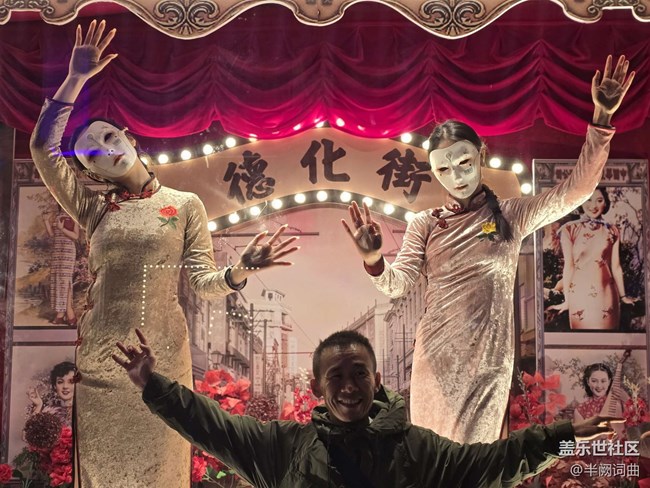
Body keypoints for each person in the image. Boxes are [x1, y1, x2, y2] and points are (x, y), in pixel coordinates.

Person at [30, 20, 299, 487]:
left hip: (161, 366)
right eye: (92, 153)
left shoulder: (185, 205)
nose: (106, 150)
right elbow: (42, 148)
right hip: (101, 366)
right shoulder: (94, 209)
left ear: (129, 137)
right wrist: (75, 78)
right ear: (92, 171)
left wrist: (239, 270)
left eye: (109, 138)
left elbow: (204, 284)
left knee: (161, 473)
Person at [342, 55, 634, 443]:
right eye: (443, 169)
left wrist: (601, 119)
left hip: (489, 363)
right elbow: (397, 286)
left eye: (464, 162)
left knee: (479, 461)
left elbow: (576, 191)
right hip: (435, 362)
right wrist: (373, 258)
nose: (456, 176)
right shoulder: (425, 223)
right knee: (434, 461)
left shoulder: (512, 215)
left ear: (481, 153)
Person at [113, 328, 620, 488]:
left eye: (359, 373)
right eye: (336, 377)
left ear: (377, 380)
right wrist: (153, 384)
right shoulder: (283, 449)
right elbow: (213, 426)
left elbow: (498, 463)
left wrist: (566, 435)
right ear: (318, 387)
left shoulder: (420, 450)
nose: (349, 387)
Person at [547, 187, 636, 330]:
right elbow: (569, 266)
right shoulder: (569, 229)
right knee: (582, 341)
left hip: (607, 294)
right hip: (579, 294)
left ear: (605, 203)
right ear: (580, 202)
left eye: (599, 200)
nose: (593, 205)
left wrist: (623, 296)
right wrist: (567, 301)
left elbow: (616, 266)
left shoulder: (612, 230)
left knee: (608, 340)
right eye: (588, 200)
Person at [42, 203, 79, 325]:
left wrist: (62, 228)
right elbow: (52, 235)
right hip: (57, 251)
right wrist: (46, 221)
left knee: (65, 281)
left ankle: (68, 312)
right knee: (58, 281)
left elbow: (76, 236)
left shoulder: (74, 216)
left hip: (67, 251)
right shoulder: (57, 216)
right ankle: (61, 313)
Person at [27, 361, 76, 427]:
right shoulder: (49, 412)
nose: (65, 386)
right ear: (55, 386)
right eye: (60, 382)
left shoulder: (82, 411)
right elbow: (30, 431)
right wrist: (39, 405)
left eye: (71, 382)